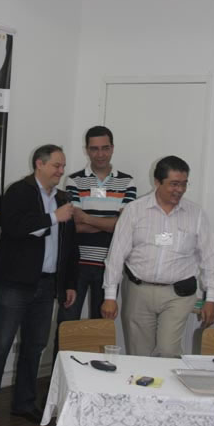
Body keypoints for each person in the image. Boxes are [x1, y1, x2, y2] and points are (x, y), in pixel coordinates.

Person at [0, 144, 78, 426]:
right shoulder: (18, 191)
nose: (61, 171)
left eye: (63, 166)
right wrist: (54, 217)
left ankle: (24, 403)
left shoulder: (63, 198)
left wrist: (69, 283)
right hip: (14, 285)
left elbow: (70, 245)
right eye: (56, 165)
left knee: (35, 347)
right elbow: (15, 227)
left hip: (47, 284)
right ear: (39, 164)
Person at [102, 155, 214, 357]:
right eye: (174, 184)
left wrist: (212, 298)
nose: (179, 190)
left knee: (167, 351)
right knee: (140, 353)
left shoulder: (196, 214)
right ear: (157, 182)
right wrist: (110, 296)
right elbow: (116, 255)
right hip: (138, 292)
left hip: (178, 295)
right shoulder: (134, 210)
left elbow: (210, 258)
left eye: (184, 184)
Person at [54, 126, 136, 354]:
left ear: (112, 148)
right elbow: (74, 225)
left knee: (101, 330)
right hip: (76, 265)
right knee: (67, 327)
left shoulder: (127, 183)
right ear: (87, 150)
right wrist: (110, 223)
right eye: (94, 149)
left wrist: (88, 218)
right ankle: (59, 375)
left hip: (110, 267)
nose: (100, 154)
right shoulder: (74, 181)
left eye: (105, 148)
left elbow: (124, 228)